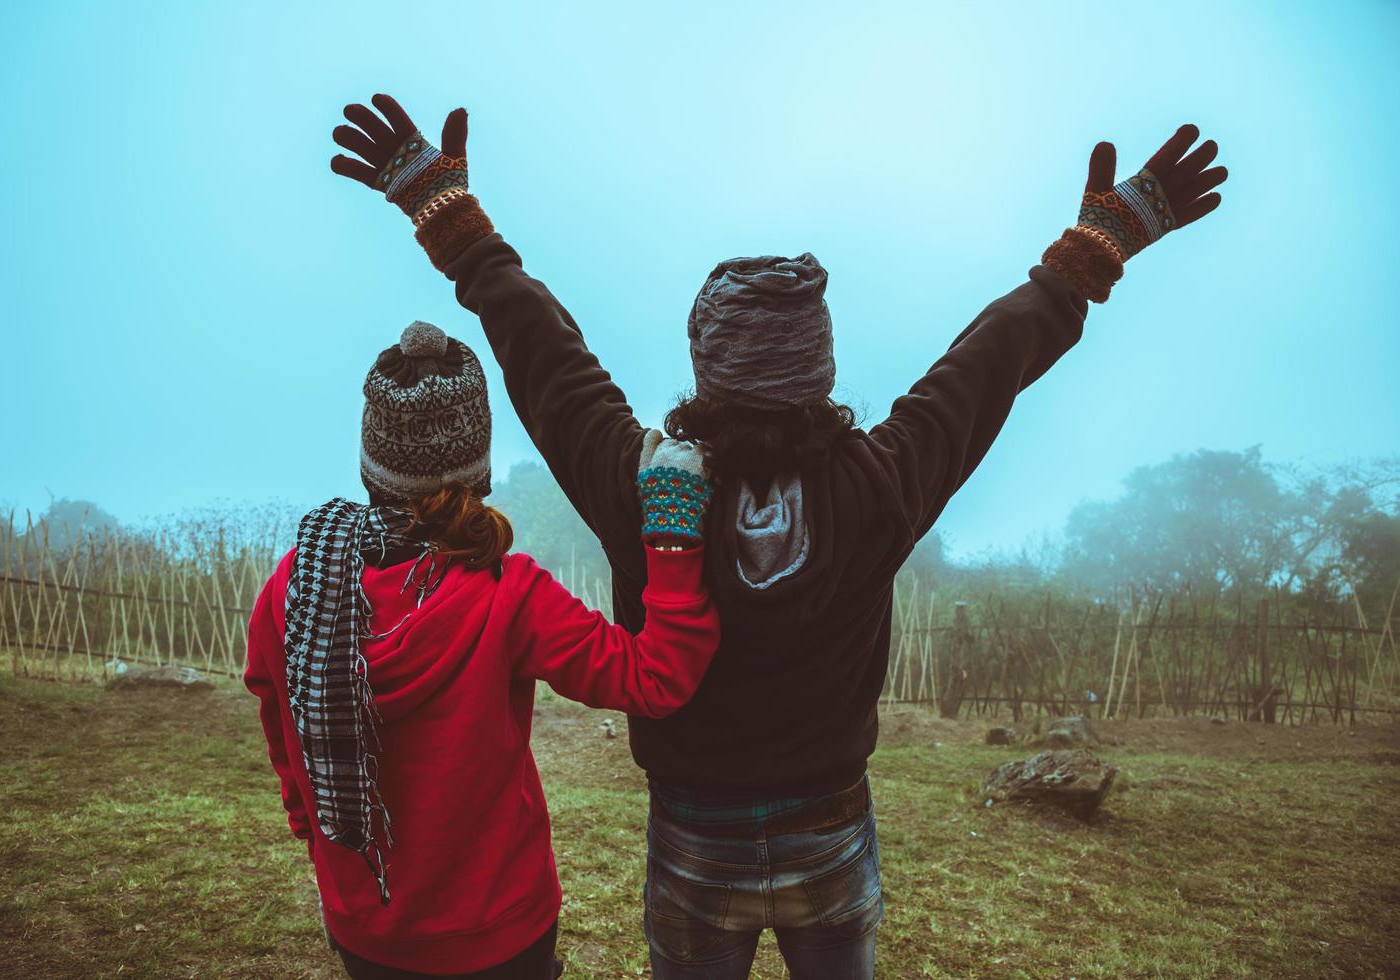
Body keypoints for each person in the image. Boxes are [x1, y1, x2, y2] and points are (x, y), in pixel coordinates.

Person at [329, 95, 1227, 979]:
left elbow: (544, 355)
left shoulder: (641, 485)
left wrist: (449, 219)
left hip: (692, 836)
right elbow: (984, 369)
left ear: (704, 363)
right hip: (832, 831)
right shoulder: (883, 484)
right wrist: (1090, 255)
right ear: (821, 367)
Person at [244, 319, 720, 979]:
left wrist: (315, 831)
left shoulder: (296, 586)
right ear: (477, 462)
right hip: (501, 931)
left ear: (373, 457)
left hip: (365, 922)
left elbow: (277, 714)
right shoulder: (508, 591)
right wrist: (671, 538)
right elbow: (654, 679)